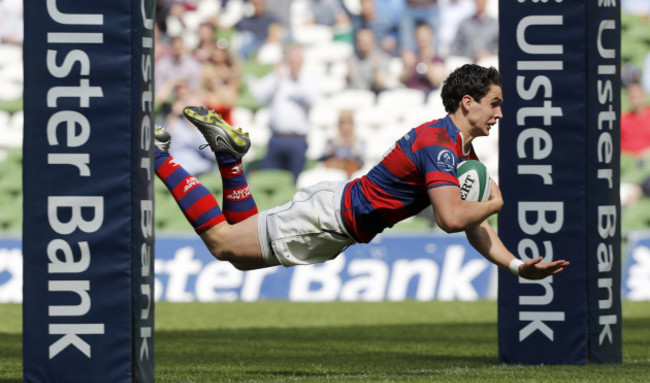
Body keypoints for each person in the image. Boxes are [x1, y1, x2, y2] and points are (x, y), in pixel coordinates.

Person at [153, 64, 569, 280]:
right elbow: (451, 219)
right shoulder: (439, 147)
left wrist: (516, 266)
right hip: (329, 220)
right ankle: (158, 157)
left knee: (240, 252)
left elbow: (473, 225)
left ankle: (228, 158)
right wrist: (496, 201)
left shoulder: (461, 152)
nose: (500, 112)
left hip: (336, 215)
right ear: (467, 102)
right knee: (224, 246)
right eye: (494, 103)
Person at [251, 43, 321, 182]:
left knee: (295, 181)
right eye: (291, 61)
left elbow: (313, 100)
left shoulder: (308, 80)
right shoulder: (277, 78)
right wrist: (277, 78)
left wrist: (297, 81)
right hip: (276, 139)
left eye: (296, 61)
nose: (294, 64)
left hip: (297, 140)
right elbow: (259, 96)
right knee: (269, 180)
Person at [400, 23, 446, 93]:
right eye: (419, 35)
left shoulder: (438, 59)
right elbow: (402, 80)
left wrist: (426, 61)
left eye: (424, 34)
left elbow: (436, 81)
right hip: (410, 95)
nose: (422, 38)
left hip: (427, 97)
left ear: (431, 36)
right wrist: (409, 67)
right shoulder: (411, 58)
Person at [318, 109, 365, 177]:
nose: (345, 127)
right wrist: (333, 146)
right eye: (342, 123)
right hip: (334, 170)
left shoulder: (360, 141)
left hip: (351, 171)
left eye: (348, 123)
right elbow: (322, 158)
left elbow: (361, 161)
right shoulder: (331, 141)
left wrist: (353, 145)